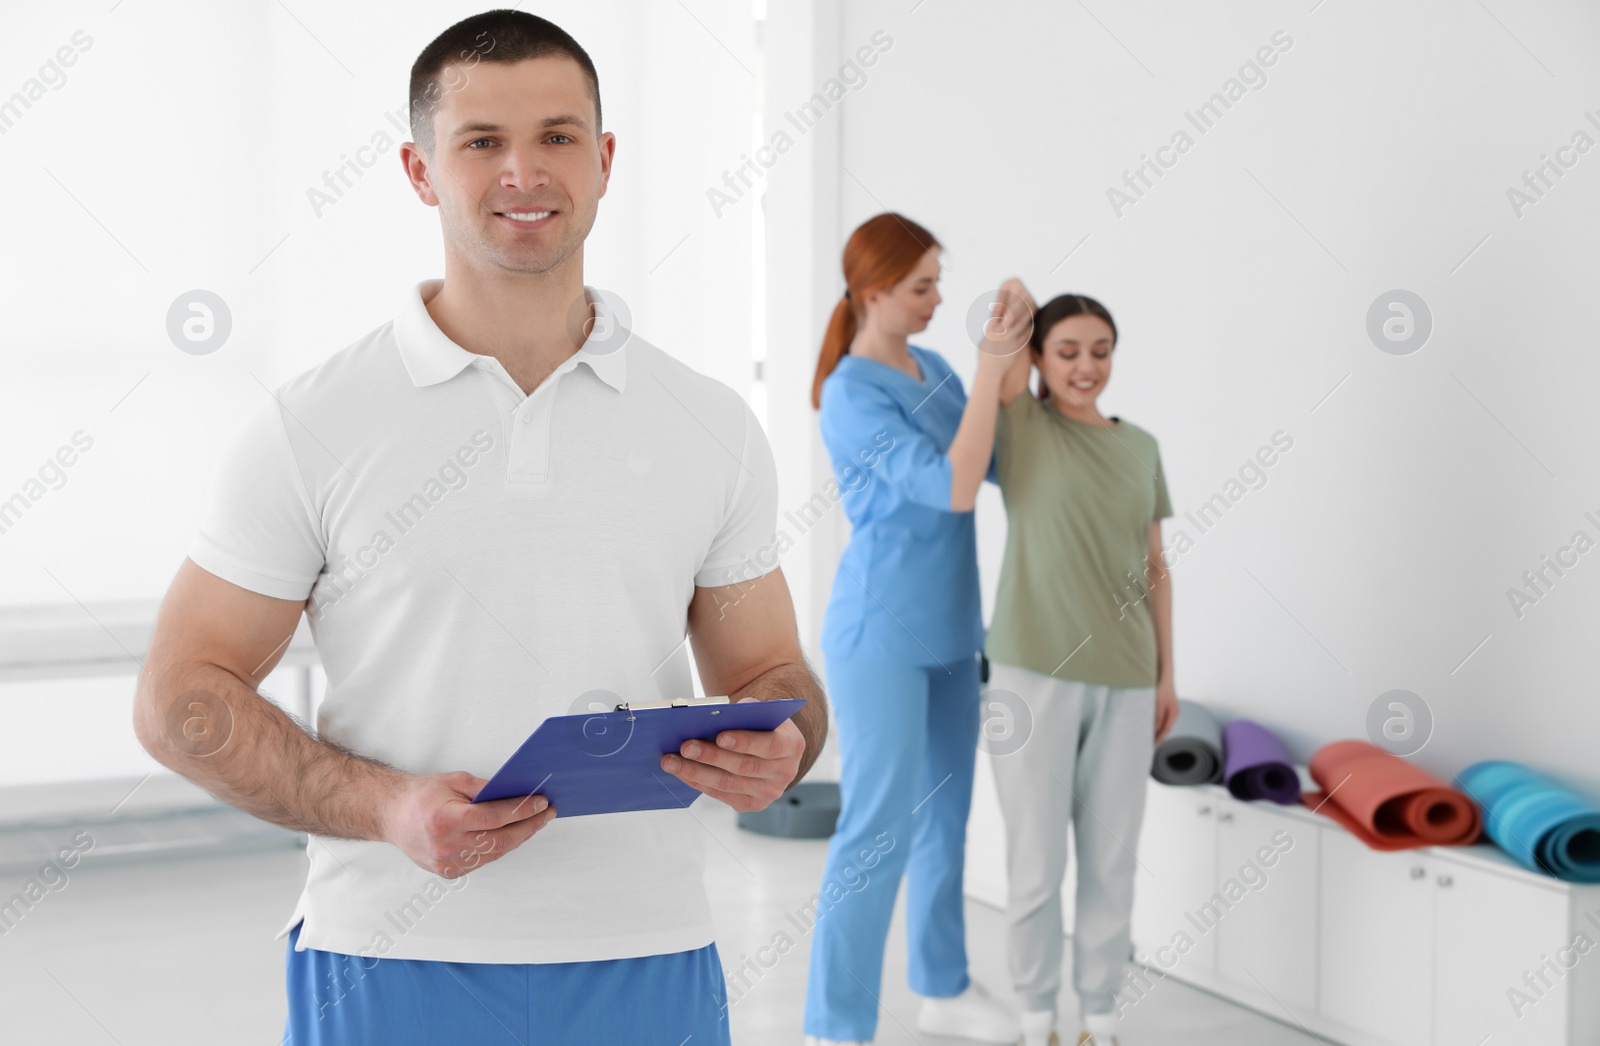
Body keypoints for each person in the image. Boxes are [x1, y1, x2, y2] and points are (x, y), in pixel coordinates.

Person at [130, 10, 828, 1044]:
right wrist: (387, 807)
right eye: (481, 143)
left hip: (646, 954)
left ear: (604, 159)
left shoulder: (709, 424)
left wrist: (787, 743)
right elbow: (178, 699)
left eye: (555, 136)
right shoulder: (313, 423)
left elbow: (773, 671)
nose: (524, 172)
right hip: (389, 956)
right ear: (420, 170)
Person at [801, 211, 1033, 1046]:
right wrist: (987, 370)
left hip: (951, 632)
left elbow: (995, 458)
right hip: (881, 639)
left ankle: (941, 986)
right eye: (922, 286)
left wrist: (1014, 350)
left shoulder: (931, 365)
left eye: (940, 279)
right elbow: (953, 487)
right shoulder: (851, 394)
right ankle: (835, 1025)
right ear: (872, 294)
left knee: (946, 818)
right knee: (876, 831)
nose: (939, 299)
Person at [985, 294, 1179, 1046]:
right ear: (1039, 357)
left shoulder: (1142, 448)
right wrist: (1018, 308)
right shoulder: (1024, 428)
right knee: (1036, 862)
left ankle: (1100, 1016)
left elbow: (1155, 565)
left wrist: (1166, 674)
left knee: (1112, 861)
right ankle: (1038, 1019)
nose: (1086, 366)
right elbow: (998, 369)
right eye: (1067, 350)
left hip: (1129, 678)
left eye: (1100, 350)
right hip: (1033, 674)